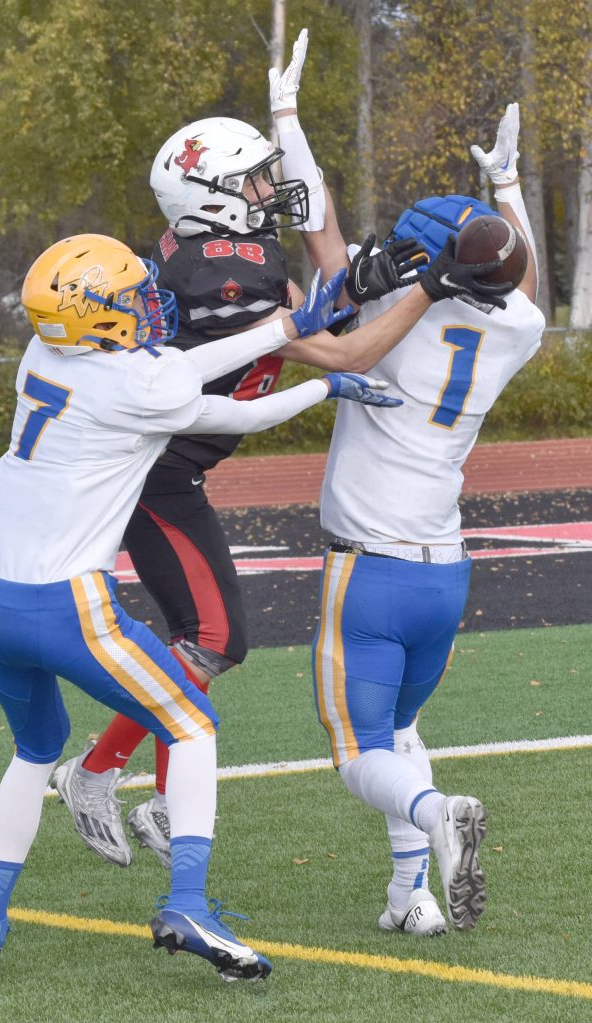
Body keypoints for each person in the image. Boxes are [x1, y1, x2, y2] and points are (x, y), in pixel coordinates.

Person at [0, 230, 490, 979]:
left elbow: (180, 366)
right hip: (69, 606)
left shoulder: (44, 357)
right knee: (192, 725)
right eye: (131, 293)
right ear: (99, 316)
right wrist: (323, 383)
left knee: (33, 751)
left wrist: (289, 328)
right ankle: (188, 903)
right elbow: (233, 414)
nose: (147, 298)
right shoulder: (136, 386)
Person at [52, 115, 434, 870]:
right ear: (211, 196)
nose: (269, 189)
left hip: (165, 469)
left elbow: (317, 313)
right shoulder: (222, 272)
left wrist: (359, 284)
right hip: (152, 473)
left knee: (201, 637)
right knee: (217, 638)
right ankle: (100, 775)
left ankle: (134, 786)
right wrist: (424, 289)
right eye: (254, 178)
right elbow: (337, 346)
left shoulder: (223, 258)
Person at [271, 30, 545, 936]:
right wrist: (504, 190)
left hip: (371, 567)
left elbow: (323, 259)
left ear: (435, 269)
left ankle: (438, 817)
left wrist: (285, 121)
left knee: (355, 753)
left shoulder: (395, 313)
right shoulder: (517, 329)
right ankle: (408, 895)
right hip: (444, 568)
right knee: (397, 734)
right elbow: (520, 275)